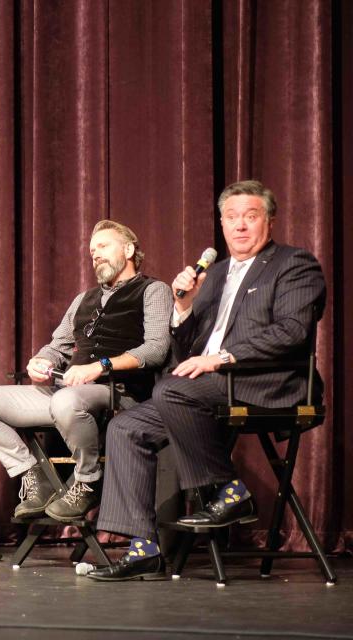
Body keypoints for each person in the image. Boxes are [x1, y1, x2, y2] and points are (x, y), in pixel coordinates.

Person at [87, 180, 326, 581]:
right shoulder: (213, 276)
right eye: (231, 218)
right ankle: (143, 548)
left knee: (172, 391)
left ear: (269, 220)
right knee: (125, 427)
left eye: (250, 217)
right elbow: (190, 349)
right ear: (221, 223)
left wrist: (221, 358)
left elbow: (292, 331)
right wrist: (182, 307)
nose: (240, 226)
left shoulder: (295, 264)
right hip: (206, 390)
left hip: (267, 383)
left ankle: (231, 492)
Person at [0, 221, 172, 522]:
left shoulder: (154, 290)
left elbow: (156, 349)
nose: (95, 254)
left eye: (103, 246)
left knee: (66, 401)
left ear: (128, 250)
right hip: (68, 394)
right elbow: (57, 346)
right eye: (92, 250)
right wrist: (40, 361)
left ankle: (87, 481)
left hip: (117, 392)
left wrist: (100, 366)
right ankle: (33, 473)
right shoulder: (82, 300)